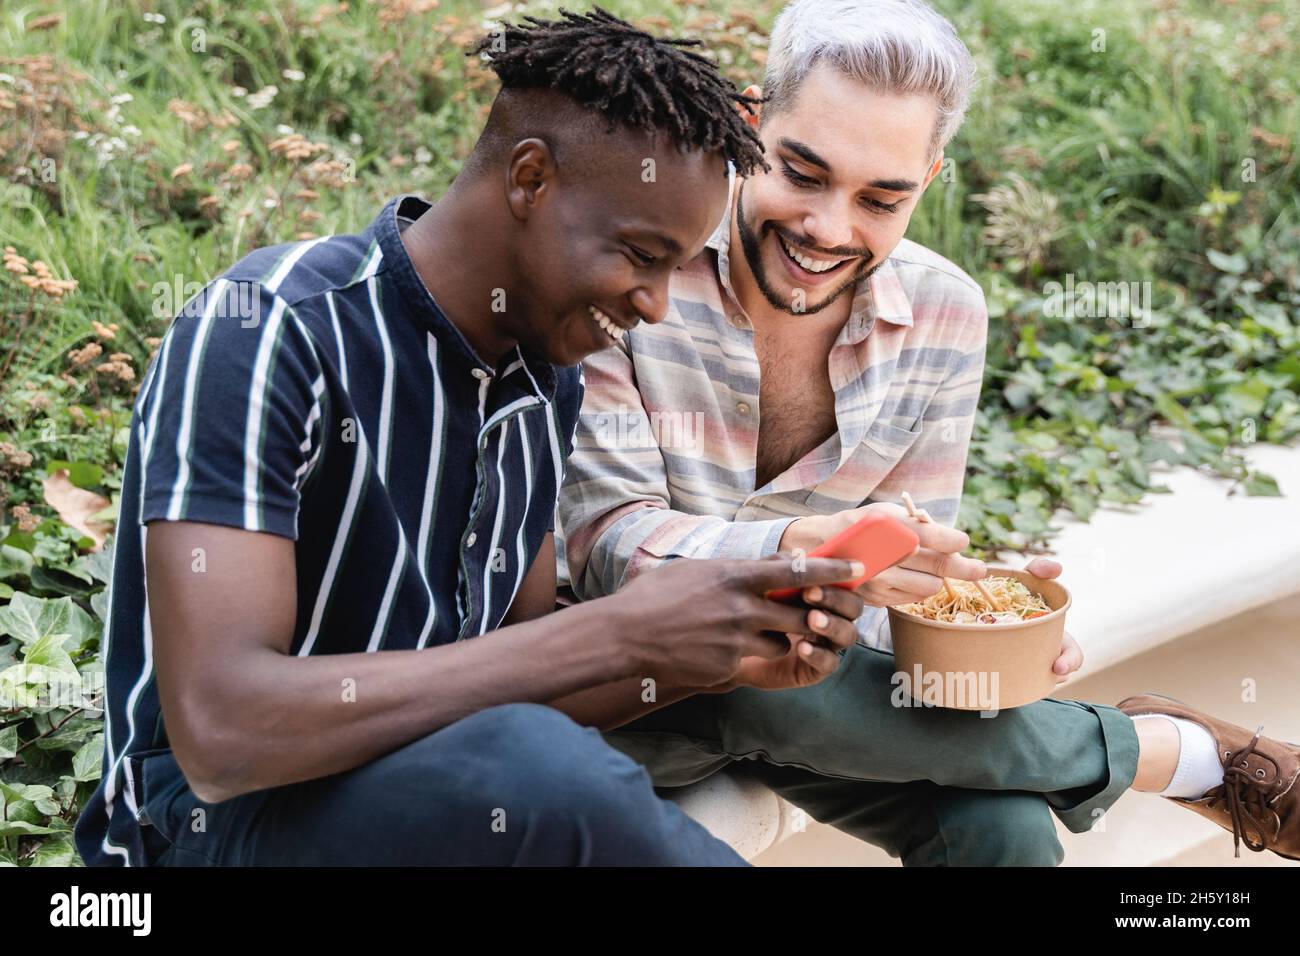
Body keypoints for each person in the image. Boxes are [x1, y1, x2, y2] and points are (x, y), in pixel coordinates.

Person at [73, 9, 877, 868]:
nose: (653, 304)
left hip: (420, 801)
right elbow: (223, 733)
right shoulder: (272, 329)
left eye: (674, 267)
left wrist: (706, 654)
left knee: (535, 759)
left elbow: (518, 686)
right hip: (203, 835)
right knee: (542, 774)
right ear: (530, 178)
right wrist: (618, 633)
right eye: (641, 255)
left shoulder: (543, 380)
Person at [557, 0, 1299, 865]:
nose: (829, 229)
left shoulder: (944, 314)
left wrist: (971, 616)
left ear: (931, 177)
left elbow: (882, 608)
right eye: (801, 173)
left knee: (1004, 831)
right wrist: (800, 551)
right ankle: (1170, 754)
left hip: (812, 699)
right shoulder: (637, 268)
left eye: (881, 198)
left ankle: (1140, 750)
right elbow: (605, 549)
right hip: (623, 693)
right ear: (751, 123)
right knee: (737, 652)